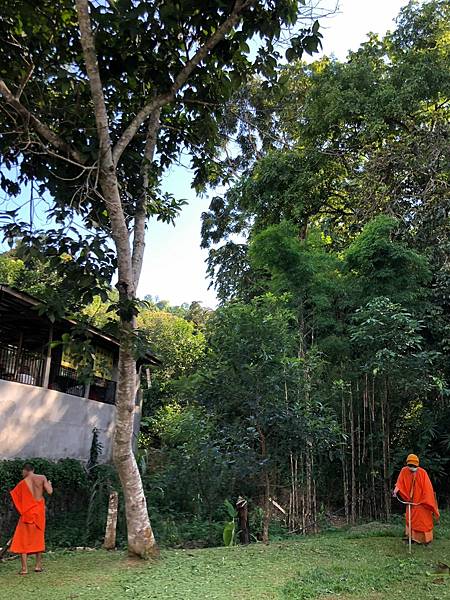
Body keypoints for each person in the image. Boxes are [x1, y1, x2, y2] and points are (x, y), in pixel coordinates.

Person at [9, 463, 53, 574]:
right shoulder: (42, 478)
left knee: (23, 539)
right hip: (38, 513)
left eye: (22, 472)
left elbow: (16, 497)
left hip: (27, 514)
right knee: (38, 538)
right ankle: (38, 566)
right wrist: (49, 484)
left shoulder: (22, 484)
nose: (22, 474)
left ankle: (24, 569)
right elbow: (50, 491)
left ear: (26, 470)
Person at [393, 453, 439, 545]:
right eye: (410, 465)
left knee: (423, 521)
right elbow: (399, 482)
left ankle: (425, 540)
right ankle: (411, 538)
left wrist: (425, 501)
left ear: (417, 465)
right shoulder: (404, 471)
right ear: (407, 464)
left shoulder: (422, 472)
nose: (412, 467)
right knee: (410, 519)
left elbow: (428, 489)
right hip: (410, 502)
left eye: (414, 466)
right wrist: (396, 490)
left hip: (422, 502)